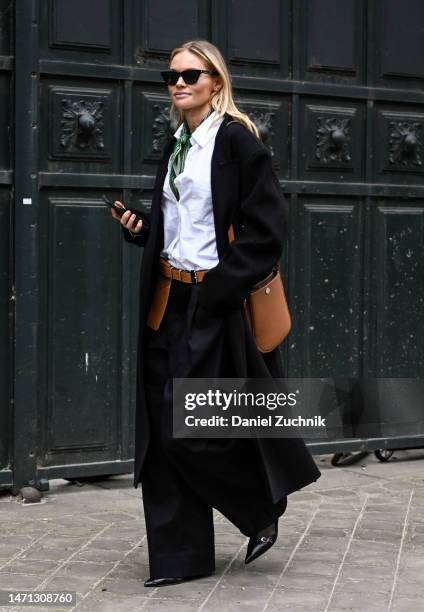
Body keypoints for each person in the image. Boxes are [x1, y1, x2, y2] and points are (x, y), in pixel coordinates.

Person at [110, 39, 321, 587]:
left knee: (194, 426)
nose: (178, 83)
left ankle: (257, 507)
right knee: (161, 429)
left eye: (190, 74)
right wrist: (142, 230)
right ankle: (179, 557)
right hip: (167, 296)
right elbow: (180, 226)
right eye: (171, 76)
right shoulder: (177, 142)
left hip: (214, 300)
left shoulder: (236, 143)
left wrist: (219, 290)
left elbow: (266, 231)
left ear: (216, 82)